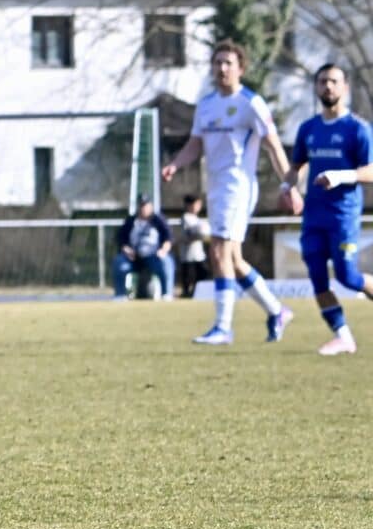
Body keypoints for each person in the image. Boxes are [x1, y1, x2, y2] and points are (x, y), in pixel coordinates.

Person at [160, 41, 294, 345]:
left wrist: (289, 185)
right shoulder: (206, 105)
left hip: (238, 187)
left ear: (241, 69)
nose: (222, 68)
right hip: (216, 187)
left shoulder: (251, 103)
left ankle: (223, 327)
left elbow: (273, 146)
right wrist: (175, 165)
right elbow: (196, 144)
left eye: (228, 63)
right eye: (217, 62)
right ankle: (276, 311)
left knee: (218, 251)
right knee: (232, 259)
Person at [284, 64, 373, 354]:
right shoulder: (308, 128)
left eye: (334, 81)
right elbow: (296, 167)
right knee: (317, 277)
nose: (328, 86)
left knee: (348, 277)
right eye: (323, 81)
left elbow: (371, 170)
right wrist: (287, 187)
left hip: (342, 215)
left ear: (345, 87)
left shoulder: (357, 129)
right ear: (316, 87)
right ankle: (343, 336)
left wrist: (342, 176)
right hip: (313, 216)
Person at [111, 196, 174, 300]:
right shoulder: (131, 220)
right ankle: (120, 295)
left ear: (151, 206)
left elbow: (168, 238)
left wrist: (163, 250)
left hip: (154, 257)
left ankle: (167, 294)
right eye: (141, 205)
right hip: (133, 258)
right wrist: (126, 250)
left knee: (166, 262)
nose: (143, 208)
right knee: (119, 262)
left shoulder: (158, 220)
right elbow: (121, 239)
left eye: (145, 205)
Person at [175, 195, 209, 298]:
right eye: (196, 204)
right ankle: (186, 293)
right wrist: (201, 235)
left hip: (198, 254)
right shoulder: (186, 217)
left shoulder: (197, 218)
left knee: (202, 274)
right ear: (188, 205)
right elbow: (190, 233)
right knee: (188, 276)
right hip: (188, 254)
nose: (199, 207)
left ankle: (197, 293)